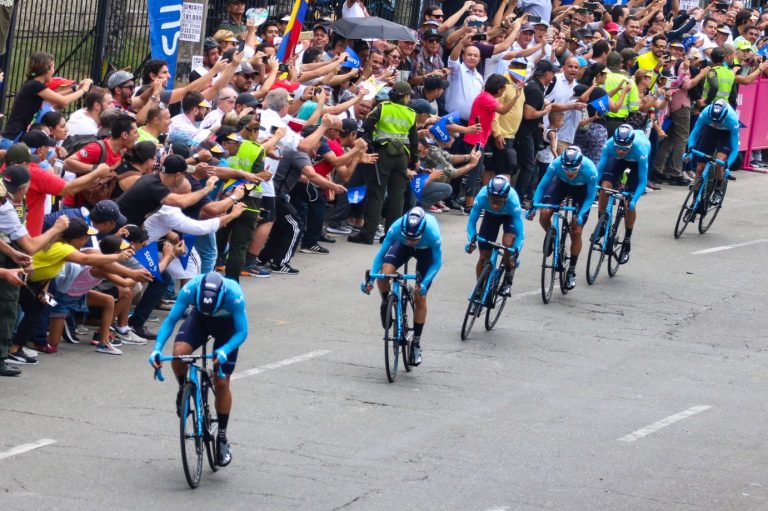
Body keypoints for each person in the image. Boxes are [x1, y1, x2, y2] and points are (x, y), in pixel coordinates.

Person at [149, 272, 248, 467]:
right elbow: (170, 320)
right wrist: (156, 349)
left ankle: (222, 437)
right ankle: (183, 388)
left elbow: (242, 331)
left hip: (228, 328)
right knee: (179, 354)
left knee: (221, 382)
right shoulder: (190, 288)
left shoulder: (234, 294)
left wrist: (225, 350)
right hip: (199, 321)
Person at [362, 207, 442, 366]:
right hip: (401, 247)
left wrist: (424, 283)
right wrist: (371, 279)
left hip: (425, 252)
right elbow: (380, 255)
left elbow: (437, 262)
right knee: (385, 272)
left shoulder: (432, 233)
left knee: (421, 297)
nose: (411, 241)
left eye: (415, 238)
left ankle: (416, 343)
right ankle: (386, 301)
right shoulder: (396, 228)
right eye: (408, 237)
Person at [349, 82, 418, 245]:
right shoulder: (411, 113)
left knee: (376, 194)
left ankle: (367, 235)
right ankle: (392, 237)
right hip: (401, 156)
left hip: (383, 154)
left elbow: (366, 125)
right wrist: (413, 160)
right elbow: (414, 140)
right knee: (397, 197)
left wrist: (371, 141)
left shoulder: (383, 107)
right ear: (405, 96)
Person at [528, 146, 598, 290]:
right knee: (545, 213)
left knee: (577, 231)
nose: (569, 172)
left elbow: (590, 197)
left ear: (580, 165)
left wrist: (580, 214)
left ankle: (571, 269)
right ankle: (551, 236)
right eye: (566, 169)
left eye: (573, 170)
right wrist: (533, 205)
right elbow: (542, 186)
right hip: (560, 185)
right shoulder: (556, 164)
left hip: (581, 190)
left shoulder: (590, 170)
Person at [594, 125, 650, 265]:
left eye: (624, 148)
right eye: (618, 147)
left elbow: (643, 181)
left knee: (628, 201)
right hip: (617, 162)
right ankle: (602, 221)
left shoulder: (641, 148)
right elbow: (600, 168)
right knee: (605, 187)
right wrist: (595, 187)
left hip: (636, 164)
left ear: (630, 145)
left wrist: (633, 200)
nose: (620, 150)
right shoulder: (609, 145)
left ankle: (627, 238)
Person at [465, 176, 524, 297]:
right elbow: (471, 223)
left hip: (509, 217)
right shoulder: (481, 196)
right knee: (483, 256)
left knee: (508, 244)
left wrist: (515, 251)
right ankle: (480, 287)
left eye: (499, 201)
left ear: (506, 197)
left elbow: (520, 234)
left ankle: (508, 275)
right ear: (488, 195)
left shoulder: (513, 201)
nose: (495, 205)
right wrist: (471, 240)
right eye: (492, 200)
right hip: (490, 217)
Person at [686, 99, 740, 207]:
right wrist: (689, 151)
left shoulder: (732, 120)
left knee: (720, 162)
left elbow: (735, 149)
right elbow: (694, 134)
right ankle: (694, 201)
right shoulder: (705, 113)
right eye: (713, 121)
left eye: (718, 122)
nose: (715, 124)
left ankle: (718, 189)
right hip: (710, 131)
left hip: (726, 133)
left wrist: (727, 165)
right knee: (700, 168)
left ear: (724, 117)